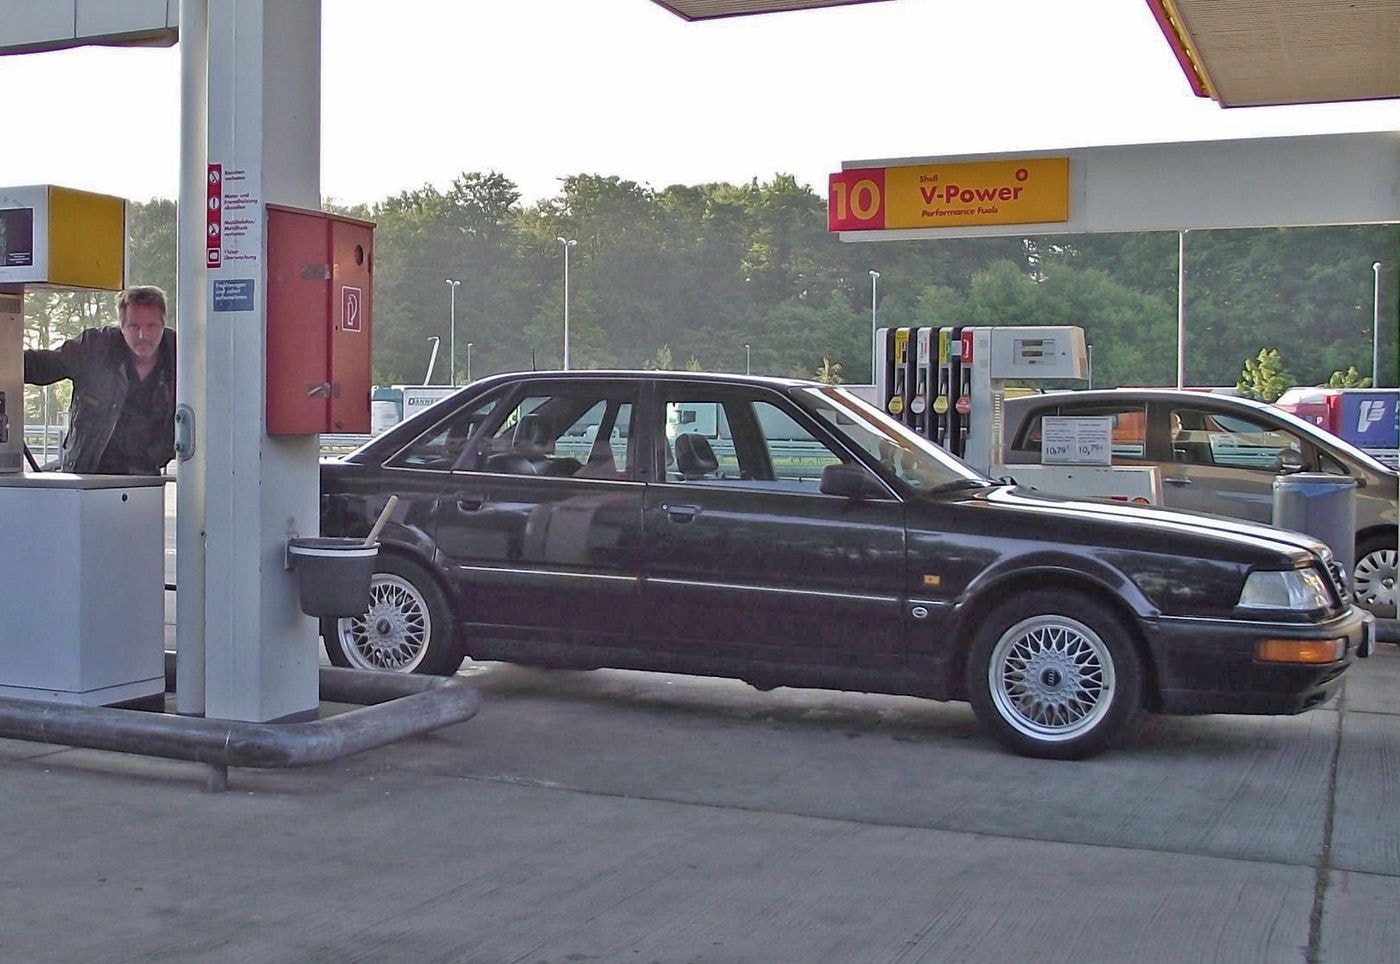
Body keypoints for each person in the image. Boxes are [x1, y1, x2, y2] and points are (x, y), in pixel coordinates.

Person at [24, 285, 176, 475]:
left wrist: (157, 455)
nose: (142, 336)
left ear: (163, 324)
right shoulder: (95, 348)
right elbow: (43, 366)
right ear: (121, 326)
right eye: (133, 326)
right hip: (87, 474)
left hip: (145, 477)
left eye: (151, 326)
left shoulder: (178, 356)